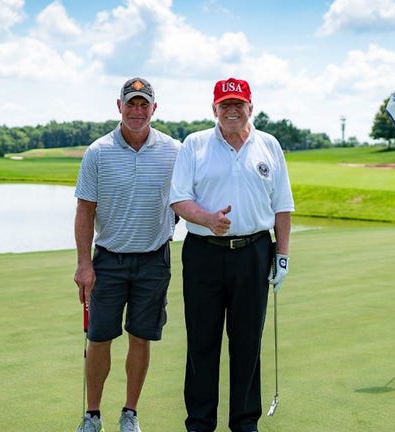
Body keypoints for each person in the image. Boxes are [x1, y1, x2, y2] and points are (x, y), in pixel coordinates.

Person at [169, 77, 294, 432]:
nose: (232, 110)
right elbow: (178, 198)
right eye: (225, 105)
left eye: (239, 104)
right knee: (202, 343)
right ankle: (200, 423)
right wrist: (208, 219)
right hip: (203, 255)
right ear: (214, 110)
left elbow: (282, 206)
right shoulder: (195, 145)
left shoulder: (268, 145)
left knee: (247, 343)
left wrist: (281, 255)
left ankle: (244, 422)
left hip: (253, 252)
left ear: (251, 108)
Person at [73, 77, 181, 432]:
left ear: (154, 108)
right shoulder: (98, 152)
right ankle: (92, 414)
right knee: (99, 338)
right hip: (108, 260)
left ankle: (129, 412)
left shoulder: (174, 150)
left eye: (143, 104)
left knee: (141, 336)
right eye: (130, 103)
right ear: (118, 106)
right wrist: (84, 264)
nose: (137, 111)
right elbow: (85, 210)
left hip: (154, 260)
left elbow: (184, 200)